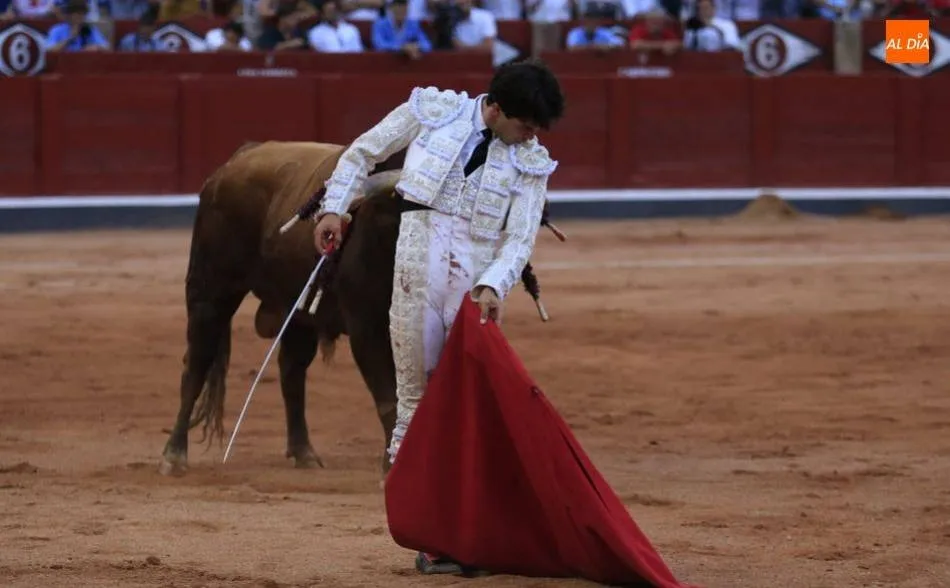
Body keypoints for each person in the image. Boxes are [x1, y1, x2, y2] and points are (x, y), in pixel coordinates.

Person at [312, 59, 564, 574]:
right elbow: (362, 151)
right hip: (415, 269)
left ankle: (468, 528)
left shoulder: (531, 161)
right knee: (415, 403)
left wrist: (495, 282)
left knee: (472, 403)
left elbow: (518, 238)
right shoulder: (433, 110)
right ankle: (428, 534)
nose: (531, 136)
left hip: (476, 286)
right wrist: (333, 207)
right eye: (524, 124)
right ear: (495, 108)